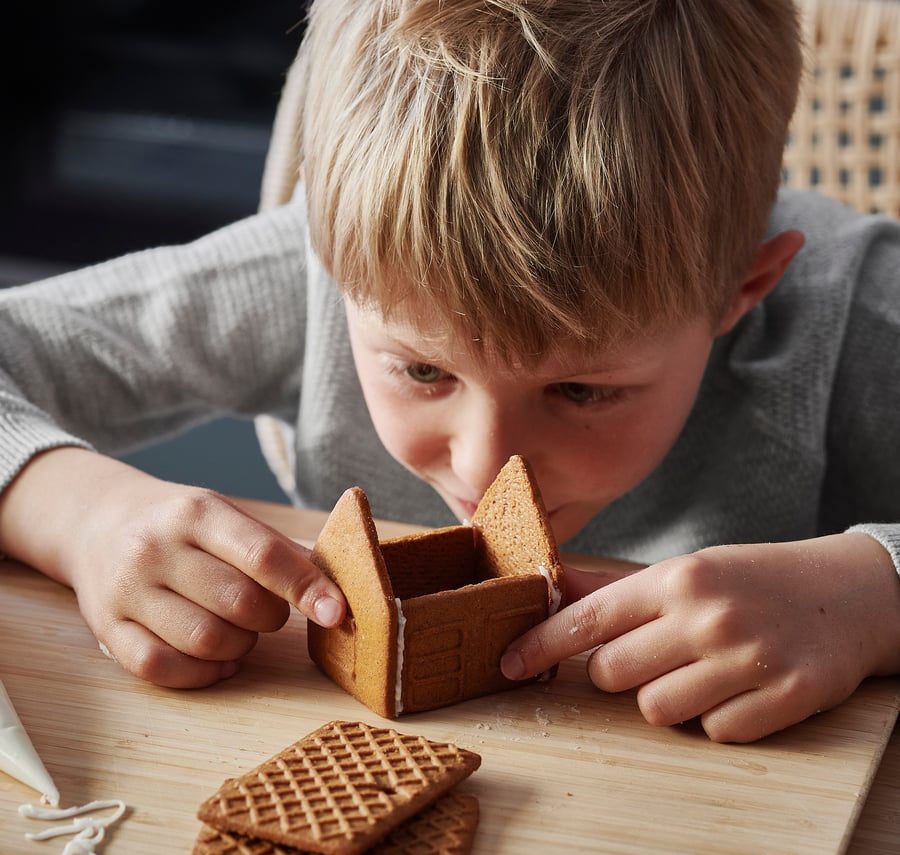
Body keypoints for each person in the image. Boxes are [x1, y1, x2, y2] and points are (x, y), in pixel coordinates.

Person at [0, 0, 898, 744]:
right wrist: (82, 515)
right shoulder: (339, 260)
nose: (485, 466)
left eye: (582, 390)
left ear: (742, 292)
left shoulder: (859, 317)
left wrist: (870, 596)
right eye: (422, 370)